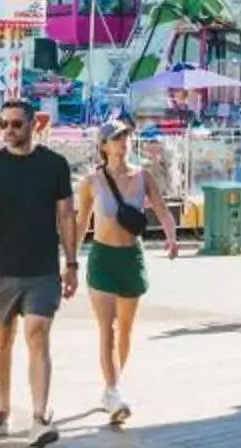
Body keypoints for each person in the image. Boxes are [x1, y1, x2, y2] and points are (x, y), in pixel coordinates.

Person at [0, 95, 79, 445]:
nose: (8, 130)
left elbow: (66, 216)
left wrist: (71, 263)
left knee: (38, 334)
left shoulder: (54, 165)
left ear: (33, 125)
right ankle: (3, 408)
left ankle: (40, 416)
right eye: (4, 124)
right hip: (0, 269)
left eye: (16, 124)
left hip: (42, 269)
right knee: (2, 339)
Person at [78, 119, 178, 426]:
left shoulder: (143, 176)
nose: (124, 143)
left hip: (131, 257)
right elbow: (81, 221)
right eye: (117, 138)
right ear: (104, 146)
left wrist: (171, 236)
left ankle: (112, 385)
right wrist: (68, 259)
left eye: (127, 138)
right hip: (102, 258)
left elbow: (160, 208)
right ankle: (114, 391)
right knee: (106, 328)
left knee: (125, 330)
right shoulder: (91, 181)